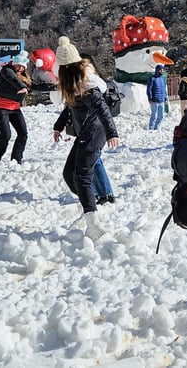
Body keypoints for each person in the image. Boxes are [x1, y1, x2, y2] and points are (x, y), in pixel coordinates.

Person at [50, 36, 120, 240]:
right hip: (85, 132)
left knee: (81, 175)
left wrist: (111, 132)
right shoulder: (74, 83)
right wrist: (58, 125)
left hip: (95, 131)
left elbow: (102, 108)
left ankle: (93, 224)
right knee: (68, 173)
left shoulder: (86, 83)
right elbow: (70, 107)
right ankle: (90, 207)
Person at [81, 53, 117, 204]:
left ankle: (105, 193)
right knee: (93, 159)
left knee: (93, 159)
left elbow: (103, 110)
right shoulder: (85, 82)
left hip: (97, 127)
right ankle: (100, 192)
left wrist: (112, 133)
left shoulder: (91, 84)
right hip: (90, 126)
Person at [0, 53, 31, 164]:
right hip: (1, 107)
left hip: (14, 108)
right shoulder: (6, 70)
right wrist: (22, 87)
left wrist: (54, 86)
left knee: (23, 133)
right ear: (14, 63)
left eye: (23, 67)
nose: (20, 68)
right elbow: (13, 79)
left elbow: (34, 86)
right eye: (19, 65)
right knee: (6, 135)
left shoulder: (24, 77)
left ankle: (16, 159)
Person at [147, 64, 167, 130]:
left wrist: (165, 98)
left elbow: (164, 89)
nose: (162, 71)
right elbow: (149, 89)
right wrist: (150, 98)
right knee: (154, 116)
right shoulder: (152, 78)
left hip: (161, 101)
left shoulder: (162, 79)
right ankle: (151, 128)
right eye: (161, 70)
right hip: (154, 101)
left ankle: (157, 127)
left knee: (161, 116)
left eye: (162, 70)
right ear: (157, 70)